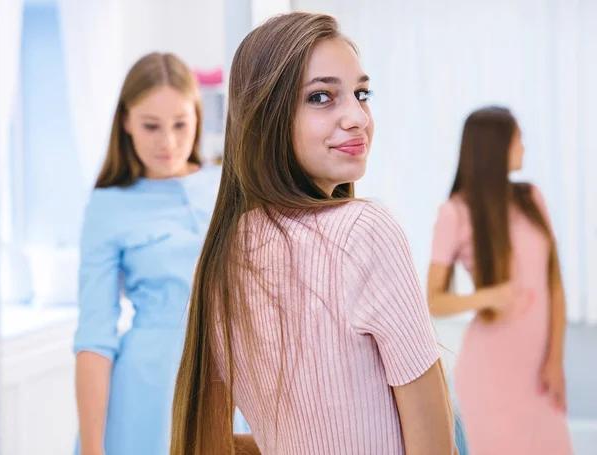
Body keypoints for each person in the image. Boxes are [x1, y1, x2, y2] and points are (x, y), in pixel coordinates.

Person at [171, 12, 456, 455]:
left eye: (362, 94)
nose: (357, 117)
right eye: (322, 97)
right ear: (266, 118)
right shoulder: (366, 231)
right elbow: (435, 448)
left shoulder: (219, 260)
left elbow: (210, 442)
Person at [73, 52, 225, 455]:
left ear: (197, 116)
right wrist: (92, 448)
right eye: (151, 126)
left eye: (180, 124)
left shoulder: (229, 188)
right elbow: (94, 335)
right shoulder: (108, 206)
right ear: (125, 122)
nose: (168, 142)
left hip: (233, 384)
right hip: (146, 395)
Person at [427, 106, 573, 454]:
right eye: (517, 138)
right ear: (496, 145)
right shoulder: (454, 213)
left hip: (538, 370)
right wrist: (489, 296)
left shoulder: (531, 198)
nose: (523, 146)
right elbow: (433, 300)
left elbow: (554, 282)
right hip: (489, 373)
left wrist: (555, 360)